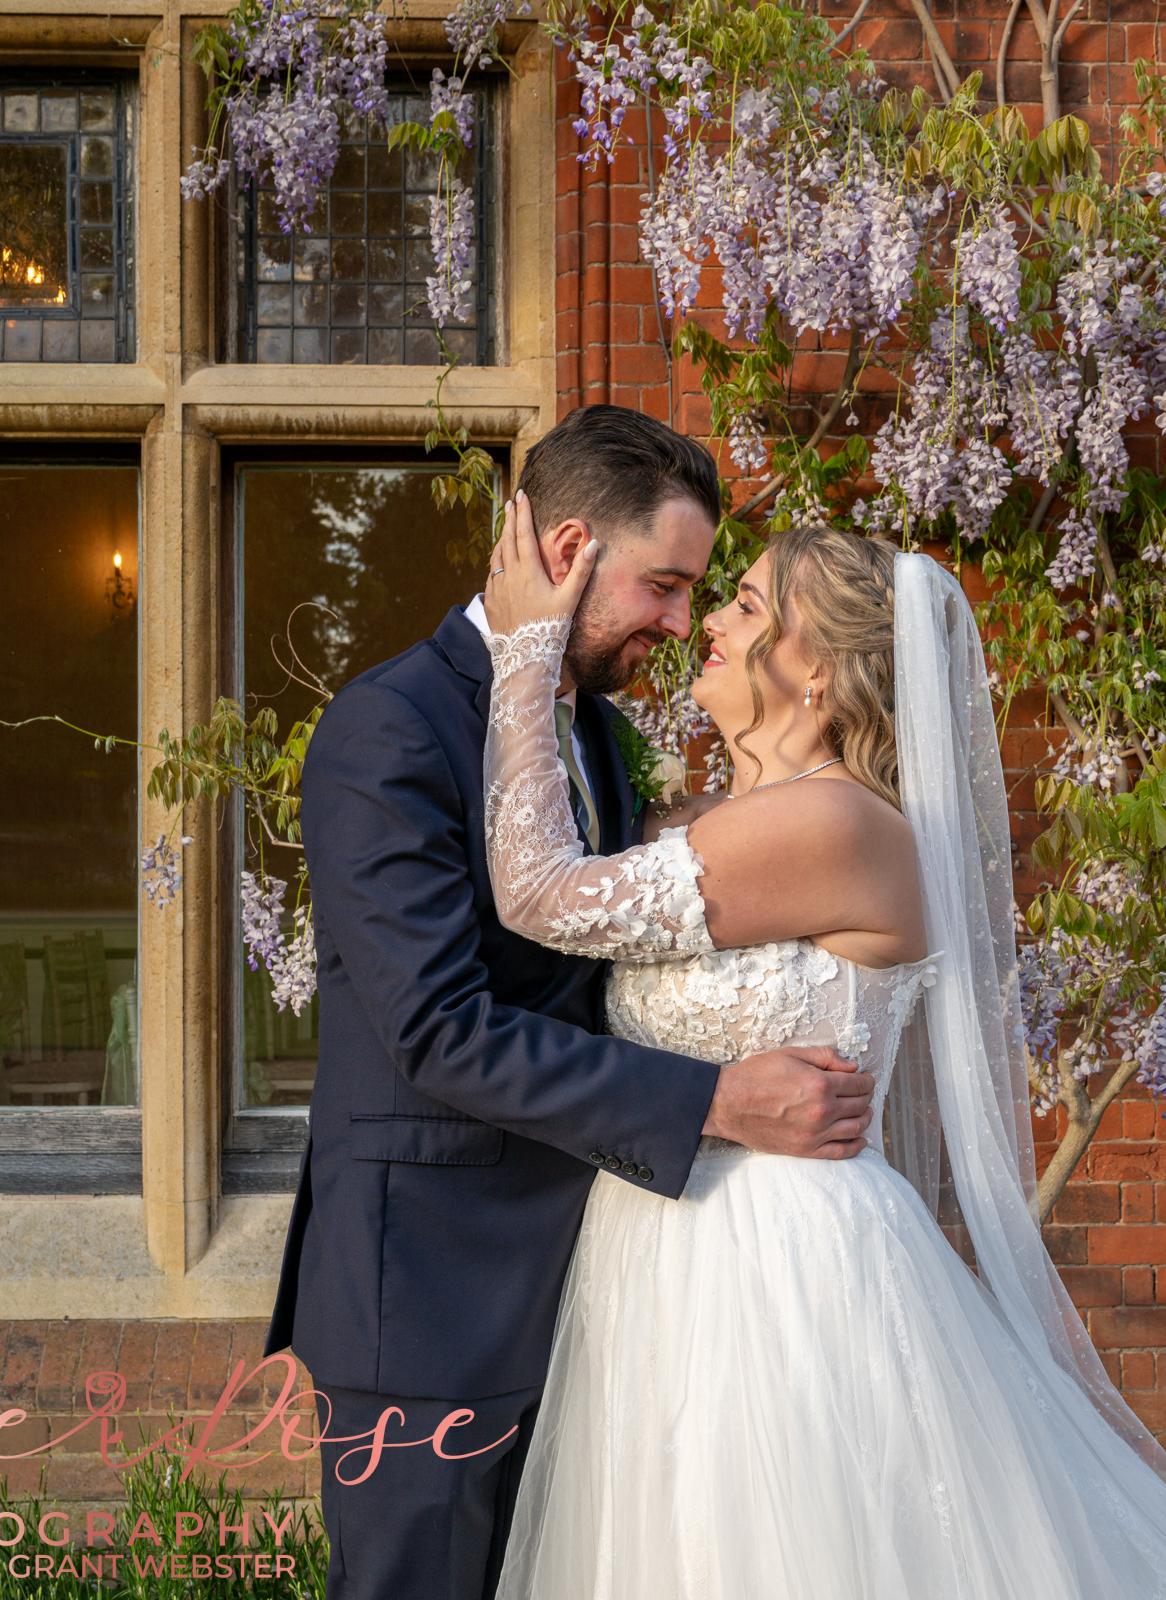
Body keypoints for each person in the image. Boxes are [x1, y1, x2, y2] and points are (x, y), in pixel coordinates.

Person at [477, 503, 1166, 1597]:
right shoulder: (699, 817)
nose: (708, 623)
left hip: (775, 1268)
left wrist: (527, 646)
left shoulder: (840, 827)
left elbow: (536, 890)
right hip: (656, 1251)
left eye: (747, 603)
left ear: (819, 675)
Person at [264, 405, 875, 1600]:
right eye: (662, 586)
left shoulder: (588, 729)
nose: (679, 623)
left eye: (699, 593)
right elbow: (442, 1031)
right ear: (567, 552)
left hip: (596, 1284)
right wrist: (717, 1098)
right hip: (430, 1300)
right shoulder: (388, 731)